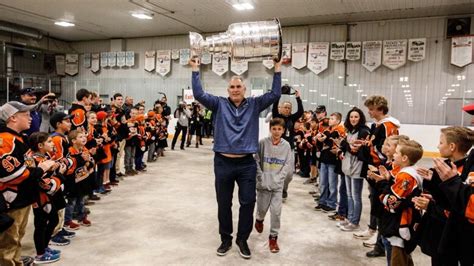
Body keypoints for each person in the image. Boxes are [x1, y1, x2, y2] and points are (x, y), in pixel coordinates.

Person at [190, 57, 281, 259]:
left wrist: (277, 68)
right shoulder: (218, 104)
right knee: (224, 202)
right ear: (228, 90)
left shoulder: (255, 104)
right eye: (232, 86)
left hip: (247, 163)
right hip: (223, 162)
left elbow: (275, 93)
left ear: (244, 89)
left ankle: (242, 239)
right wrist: (196, 69)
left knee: (248, 202)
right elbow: (198, 93)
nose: (235, 89)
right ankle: (225, 238)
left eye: (238, 86)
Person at [0, 101, 56, 266]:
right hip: (12, 200)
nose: (31, 118)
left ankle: (16, 261)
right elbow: (9, 175)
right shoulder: (5, 141)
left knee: (17, 236)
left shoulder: (18, 138)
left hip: (22, 198)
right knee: (8, 241)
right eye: (26, 115)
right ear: (13, 118)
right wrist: (41, 169)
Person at [369, 139, 424, 266]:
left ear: (404, 158)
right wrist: (387, 179)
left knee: (397, 259)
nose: (394, 154)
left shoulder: (406, 176)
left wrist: (382, 183)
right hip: (400, 222)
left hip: (399, 225)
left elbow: (392, 203)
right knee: (404, 258)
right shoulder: (407, 171)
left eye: (397, 152)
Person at [254, 118, 291, 253]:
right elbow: (256, 161)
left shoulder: (286, 146)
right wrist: (260, 176)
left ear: (283, 130)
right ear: (270, 129)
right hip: (263, 183)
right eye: (274, 129)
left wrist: (280, 179)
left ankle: (273, 238)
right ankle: (259, 219)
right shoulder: (263, 143)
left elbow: (287, 164)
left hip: (277, 185)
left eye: (279, 129)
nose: (276, 132)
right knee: (262, 209)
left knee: (276, 212)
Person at [28, 132, 66, 264]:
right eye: (49, 141)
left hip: (47, 196)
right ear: (40, 145)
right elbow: (44, 184)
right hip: (40, 198)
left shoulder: (44, 156)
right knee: (41, 224)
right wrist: (59, 176)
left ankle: (44, 246)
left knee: (52, 220)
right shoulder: (34, 160)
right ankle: (40, 254)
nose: (52, 143)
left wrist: (54, 171)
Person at [338, 107, 370, 231]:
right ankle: (349, 218)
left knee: (356, 196)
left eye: (356, 116)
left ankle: (355, 222)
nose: (353, 119)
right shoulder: (349, 131)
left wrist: (346, 146)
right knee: (349, 195)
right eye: (351, 116)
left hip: (357, 167)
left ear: (360, 118)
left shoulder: (364, 131)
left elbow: (357, 150)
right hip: (347, 166)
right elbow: (347, 147)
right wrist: (345, 147)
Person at [271, 89, 304, 200]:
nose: (287, 109)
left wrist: (298, 98)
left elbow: (300, 111)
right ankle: (277, 190)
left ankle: (284, 189)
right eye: (285, 107)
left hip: (289, 148)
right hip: (277, 149)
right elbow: (274, 106)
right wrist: (278, 95)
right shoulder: (277, 116)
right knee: (276, 171)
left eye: (289, 108)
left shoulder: (292, 118)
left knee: (289, 174)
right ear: (281, 108)